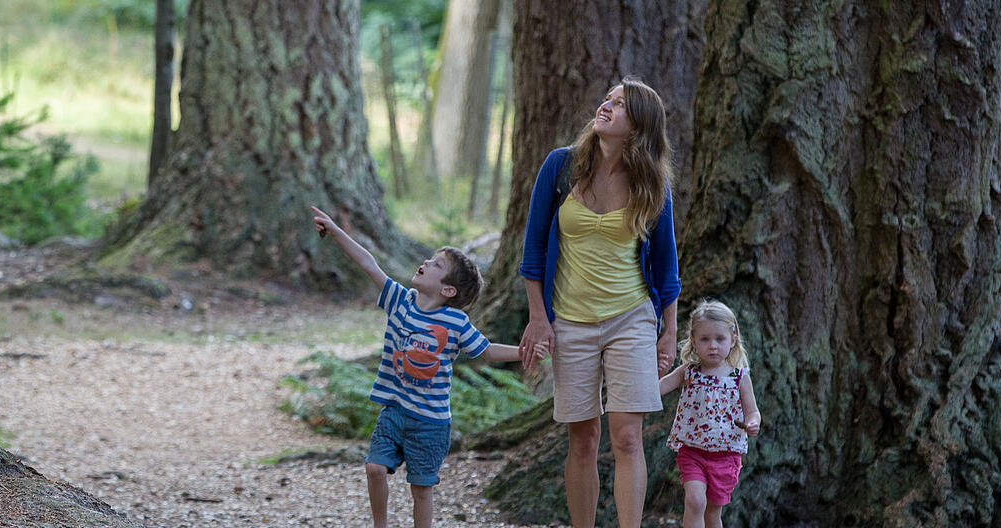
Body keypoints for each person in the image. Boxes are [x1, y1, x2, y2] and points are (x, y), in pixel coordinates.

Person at [309, 206, 545, 528]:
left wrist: (523, 351)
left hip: (431, 423)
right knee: (374, 468)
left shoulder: (455, 322)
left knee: (421, 489)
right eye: (430, 260)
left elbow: (486, 351)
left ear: (448, 290)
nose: (425, 263)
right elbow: (368, 262)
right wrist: (336, 231)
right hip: (394, 411)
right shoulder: (399, 301)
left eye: (436, 264)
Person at [515, 77, 681, 528]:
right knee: (583, 439)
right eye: (607, 99)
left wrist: (670, 332)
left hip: (631, 320)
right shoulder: (560, 168)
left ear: (639, 126)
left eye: (620, 104)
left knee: (627, 439)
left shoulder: (652, 184)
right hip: (570, 321)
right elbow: (532, 252)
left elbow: (667, 269)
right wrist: (538, 318)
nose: (606, 107)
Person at [659, 300, 761, 528]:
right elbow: (659, 388)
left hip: (726, 455)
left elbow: (752, 410)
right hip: (692, 451)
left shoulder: (739, 377)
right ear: (694, 341)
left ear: (733, 339)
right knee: (695, 501)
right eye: (705, 339)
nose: (712, 346)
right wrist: (654, 371)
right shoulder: (688, 372)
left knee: (712, 514)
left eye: (720, 339)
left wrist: (753, 422)